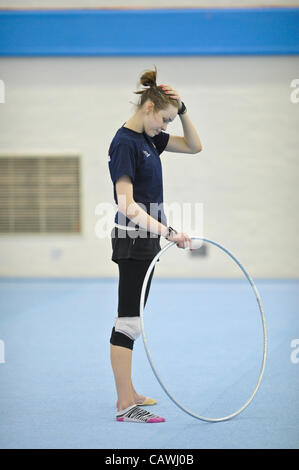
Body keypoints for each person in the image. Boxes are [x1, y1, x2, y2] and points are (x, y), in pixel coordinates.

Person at [108, 65, 202, 423]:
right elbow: (126, 205)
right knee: (128, 322)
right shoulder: (125, 143)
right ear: (148, 108)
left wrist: (182, 109)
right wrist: (167, 231)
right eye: (164, 119)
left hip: (146, 241)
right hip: (133, 241)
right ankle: (124, 405)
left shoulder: (149, 139)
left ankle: (128, 392)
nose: (166, 127)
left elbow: (195, 147)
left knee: (132, 318)